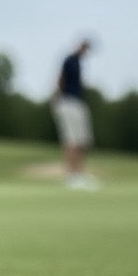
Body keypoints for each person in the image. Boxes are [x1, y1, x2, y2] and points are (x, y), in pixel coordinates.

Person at [51, 38, 97, 189]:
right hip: (67, 103)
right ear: (82, 47)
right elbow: (60, 79)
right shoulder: (70, 60)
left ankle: (79, 174)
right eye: (86, 49)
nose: (86, 52)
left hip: (78, 103)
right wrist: (57, 98)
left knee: (83, 141)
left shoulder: (79, 63)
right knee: (71, 140)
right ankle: (71, 176)